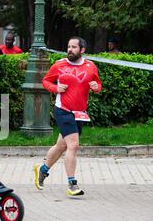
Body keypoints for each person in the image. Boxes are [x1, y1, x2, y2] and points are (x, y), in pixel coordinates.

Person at [34, 36, 102, 196]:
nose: (70, 50)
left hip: (80, 112)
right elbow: (46, 81)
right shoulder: (59, 65)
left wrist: (96, 87)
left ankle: (42, 170)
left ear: (82, 50)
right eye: (69, 46)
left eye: (74, 47)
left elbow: (98, 85)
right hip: (63, 109)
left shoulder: (90, 66)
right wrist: (56, 88)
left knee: (61, 146)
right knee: (74, 145)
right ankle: (72, 184)